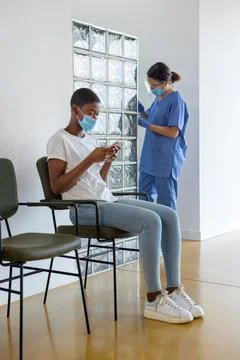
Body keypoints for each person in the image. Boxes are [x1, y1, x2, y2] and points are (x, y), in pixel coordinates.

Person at [47, 88, 204, 324]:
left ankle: (173, 289)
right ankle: (153, 299)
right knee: (151, 221)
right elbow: (57, 187)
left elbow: (97, 182)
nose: (94, 118)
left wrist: (106, 162)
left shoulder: (89, 140)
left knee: (170, 215)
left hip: (105, 199)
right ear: (75, 110)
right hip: (84, 209)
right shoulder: (58, 140)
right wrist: (90, 158)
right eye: (91, 112)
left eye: (97, 114)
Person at [138, 62, 189, 210]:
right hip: (149, 157)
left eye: (154, 86)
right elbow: (151, 118)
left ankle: (168, 234)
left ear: (165, 82)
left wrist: (147, 125)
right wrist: (141, 110)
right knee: (143, 199)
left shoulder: (176, 100)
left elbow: (173, 132)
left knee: (166, 204)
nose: (152, 89)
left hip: (166, 160)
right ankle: (146, 233)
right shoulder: (158, 99)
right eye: (150, 85)